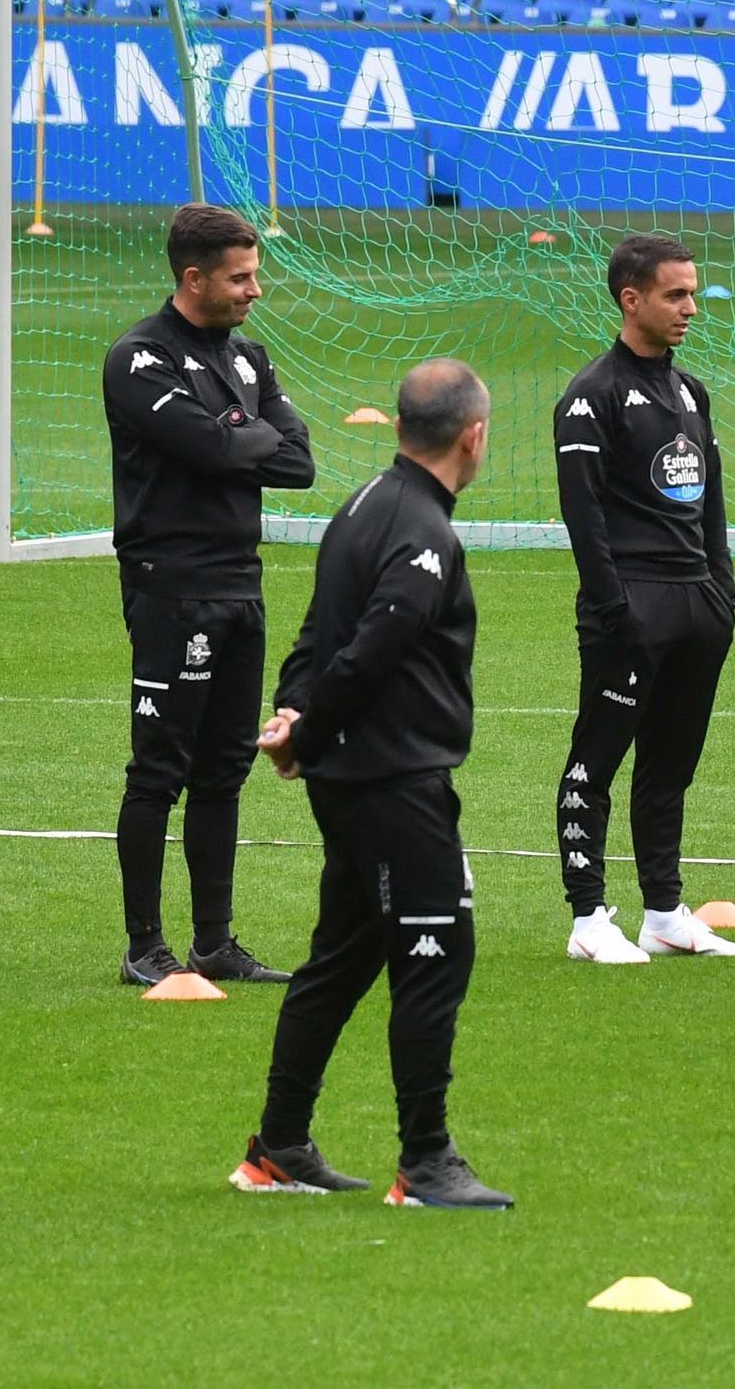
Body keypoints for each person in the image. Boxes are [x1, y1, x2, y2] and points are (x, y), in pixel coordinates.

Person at [232, 358, 511, 1211]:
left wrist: (290, 717)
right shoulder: (423, 532)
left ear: (398, 428)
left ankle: (277, 1148)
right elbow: (371, 648)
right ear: (474, 436)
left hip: (355, 776)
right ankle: (425, 1163)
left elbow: (317, 635)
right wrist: (305, 730)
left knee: (343, 958)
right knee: (436, 953)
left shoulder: (358, 509)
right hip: (393, 781)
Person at [103, 202, 315, 987]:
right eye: (241, 277)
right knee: (158, 769)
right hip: (173, 590)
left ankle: (215, 941)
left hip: (240, 585)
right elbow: (211, 445)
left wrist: (234, 437)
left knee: (225, 769)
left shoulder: (250, 359)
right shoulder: (139, 360)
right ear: (194, 279)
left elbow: (297, 462)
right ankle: (142, 946)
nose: (255, 290)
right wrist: (237, 438)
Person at [551, 234, 735, 965]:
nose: (690, 307)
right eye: (675, 294)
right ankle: (587, 918)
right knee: (594, 764)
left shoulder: (690, 391)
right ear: (631, 299)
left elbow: (712, 508)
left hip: (697, 605)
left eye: (693, 293)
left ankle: (664, 911)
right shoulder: (591, 396)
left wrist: (720, 593)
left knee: (671, 765)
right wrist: (616, 609)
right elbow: (585, 516)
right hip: (631, 607)